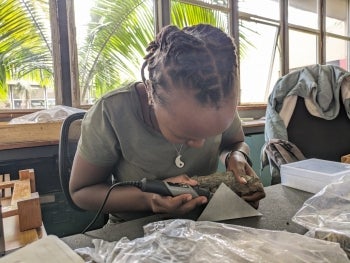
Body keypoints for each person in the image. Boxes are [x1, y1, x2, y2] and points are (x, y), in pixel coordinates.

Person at [70, 24, 263, 223]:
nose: (200, 144)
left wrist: (236, 155)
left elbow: (234, 143)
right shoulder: (111, 112)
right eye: (185, 135)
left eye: (215, 131)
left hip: (204, 223)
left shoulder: (215, 100)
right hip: (134, 233)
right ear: (151, 95)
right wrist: (150, 200)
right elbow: (82, 192)